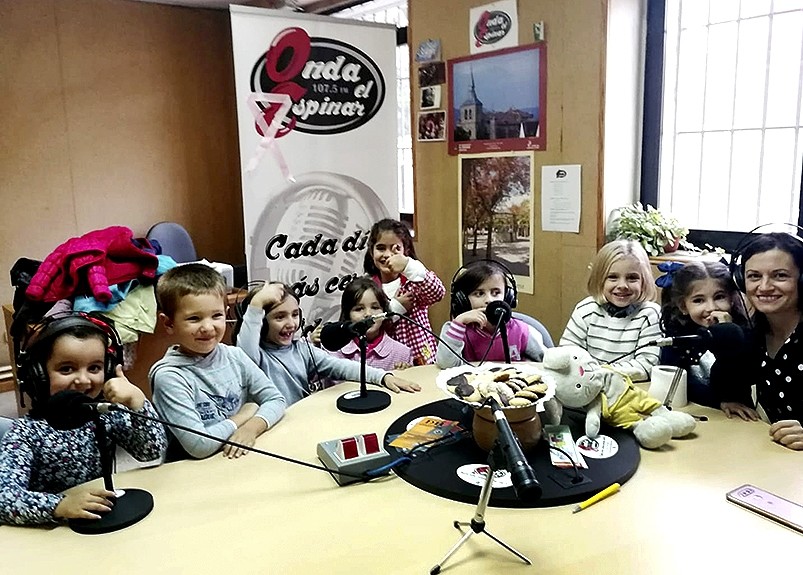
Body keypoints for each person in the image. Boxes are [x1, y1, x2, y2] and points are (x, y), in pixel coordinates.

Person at [0, 315, 167, 526]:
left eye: (94, 368)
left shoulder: (104, 413)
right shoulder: (25, 432)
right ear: (38, 374)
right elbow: (4, 497)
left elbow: (151, 451)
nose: (83, 380)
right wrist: (59, 505)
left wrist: (137, 401)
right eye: (66, 369)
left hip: (101, 518)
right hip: (51, 534)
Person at [150, 264, 286, 461]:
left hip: (237, 459)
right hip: (193, 473)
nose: (208, 327)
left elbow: (276, 400)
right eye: (194, 318)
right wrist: (243, 415)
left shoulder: (235, 356)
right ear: (168, 323)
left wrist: (251, 427)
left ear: (226, 312)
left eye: (216, 316)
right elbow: (199, 445)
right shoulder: (169, 377)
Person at [235, 281, 420, 407]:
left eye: (295, 314)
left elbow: (342, 367)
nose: (291, 323)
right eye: (279, 317)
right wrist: (257, 305)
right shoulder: (254, 356)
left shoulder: (302, 349)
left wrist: (383, 377)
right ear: (262, 321)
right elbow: (246, 354)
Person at [658, 260, 757, 418]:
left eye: (719, 297)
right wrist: (718, 400)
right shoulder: (679, 335)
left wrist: (728, 337)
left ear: (732, 298)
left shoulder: (742, 333)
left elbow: (741, 377)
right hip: (694, 411)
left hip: (734, 416)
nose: (711, 307)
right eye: (699, 300)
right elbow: (675, 381)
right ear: (683, 306)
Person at [560, 240, 661, 382]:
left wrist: (601, 372)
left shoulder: (650, 315)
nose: (622, 285)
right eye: (612, 277)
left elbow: (646, 366)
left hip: (629, 392)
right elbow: (567, 353)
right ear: (599, 280)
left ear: (644, 281)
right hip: (587, 387)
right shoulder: (585, 310)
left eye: (632, 278)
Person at [739, 232, 803, 450]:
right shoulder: (754, 334)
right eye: (754, 276)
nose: (764, 286)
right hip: (776, 460)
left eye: (780, 276)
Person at [364, 218, 445, 365]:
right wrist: (395, 309)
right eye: (381, 248)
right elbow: (366, 326)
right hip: (387, 364)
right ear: (371, 251)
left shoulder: (414, 282)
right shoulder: (368, 287)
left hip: (421, 360)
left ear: (405, 251)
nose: (387, 255)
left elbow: (438, 292)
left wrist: (408, 265)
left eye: (395, 249)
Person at [436, 260, 545, 368]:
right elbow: (446, 365)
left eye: (496, 293)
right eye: (479, 293)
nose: (489, 300)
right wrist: (459, 322)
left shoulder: (522, 330)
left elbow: (546, 362)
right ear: (462, 300)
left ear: (508, 297)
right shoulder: (455, 330)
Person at [327, 276, 414, 372]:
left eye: (375, 307)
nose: (368, 314)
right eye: (359, 309)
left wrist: (404, 374)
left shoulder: (402, 353)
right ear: (348, 315)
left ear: (384, 312)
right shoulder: (332, 351)